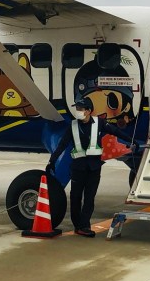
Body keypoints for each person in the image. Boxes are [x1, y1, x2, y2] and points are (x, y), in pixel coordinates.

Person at [47, 97, 129, 237]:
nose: (78, 111)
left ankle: (84, 225)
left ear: (88, 111)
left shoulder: (99, 123)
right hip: (78, 168)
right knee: (75, 197)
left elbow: (115, 131)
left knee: (89, 198)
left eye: (80, 109)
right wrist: (52, 161)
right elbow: (62, 144)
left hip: (94, 167)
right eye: (77, 108)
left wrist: (130, 140)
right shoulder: (73, 126)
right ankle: (78, 225)